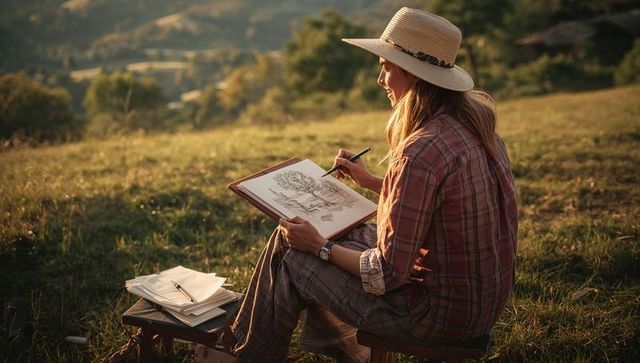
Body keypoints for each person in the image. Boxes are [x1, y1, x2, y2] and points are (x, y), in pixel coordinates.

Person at [197, 7, 518, 363]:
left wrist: (319, 246)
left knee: (291, 253)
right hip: (477, 302)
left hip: (434, 316)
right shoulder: (477, 129)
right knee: (307, 236)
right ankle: (245, 346)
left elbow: (386, 274)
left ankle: (242, 353)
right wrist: (367, 181)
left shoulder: (419, 151)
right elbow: (438, 205)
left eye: (386, 67)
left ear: (411, 76)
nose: (381, 79)